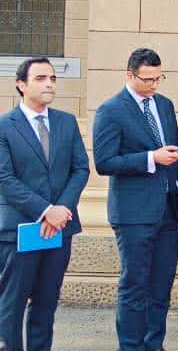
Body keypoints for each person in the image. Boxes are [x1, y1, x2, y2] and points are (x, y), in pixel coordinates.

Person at [92, 48, 178, 351]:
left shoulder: (164, 105)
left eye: (158, 78)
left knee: (161, 287)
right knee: (135, 286)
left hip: (169, 211)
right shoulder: (111, 110)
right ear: (129, 75)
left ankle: (154, 345)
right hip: (133, 213)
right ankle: (131, 347)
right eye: (147, 79)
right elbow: (104, 162)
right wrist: (151, 158)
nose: (153, 85)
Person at [0, 57, 89, 351]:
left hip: (59, 229)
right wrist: (45, 211)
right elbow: (4, 178)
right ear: (21, 85)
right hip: (21, 229)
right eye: (40, 78)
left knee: (46, 302)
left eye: (52, 78)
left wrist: (61, 210)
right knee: (11, 305)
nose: (49, 84)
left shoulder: (66, 122)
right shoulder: (4, 126)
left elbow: (80, 169)